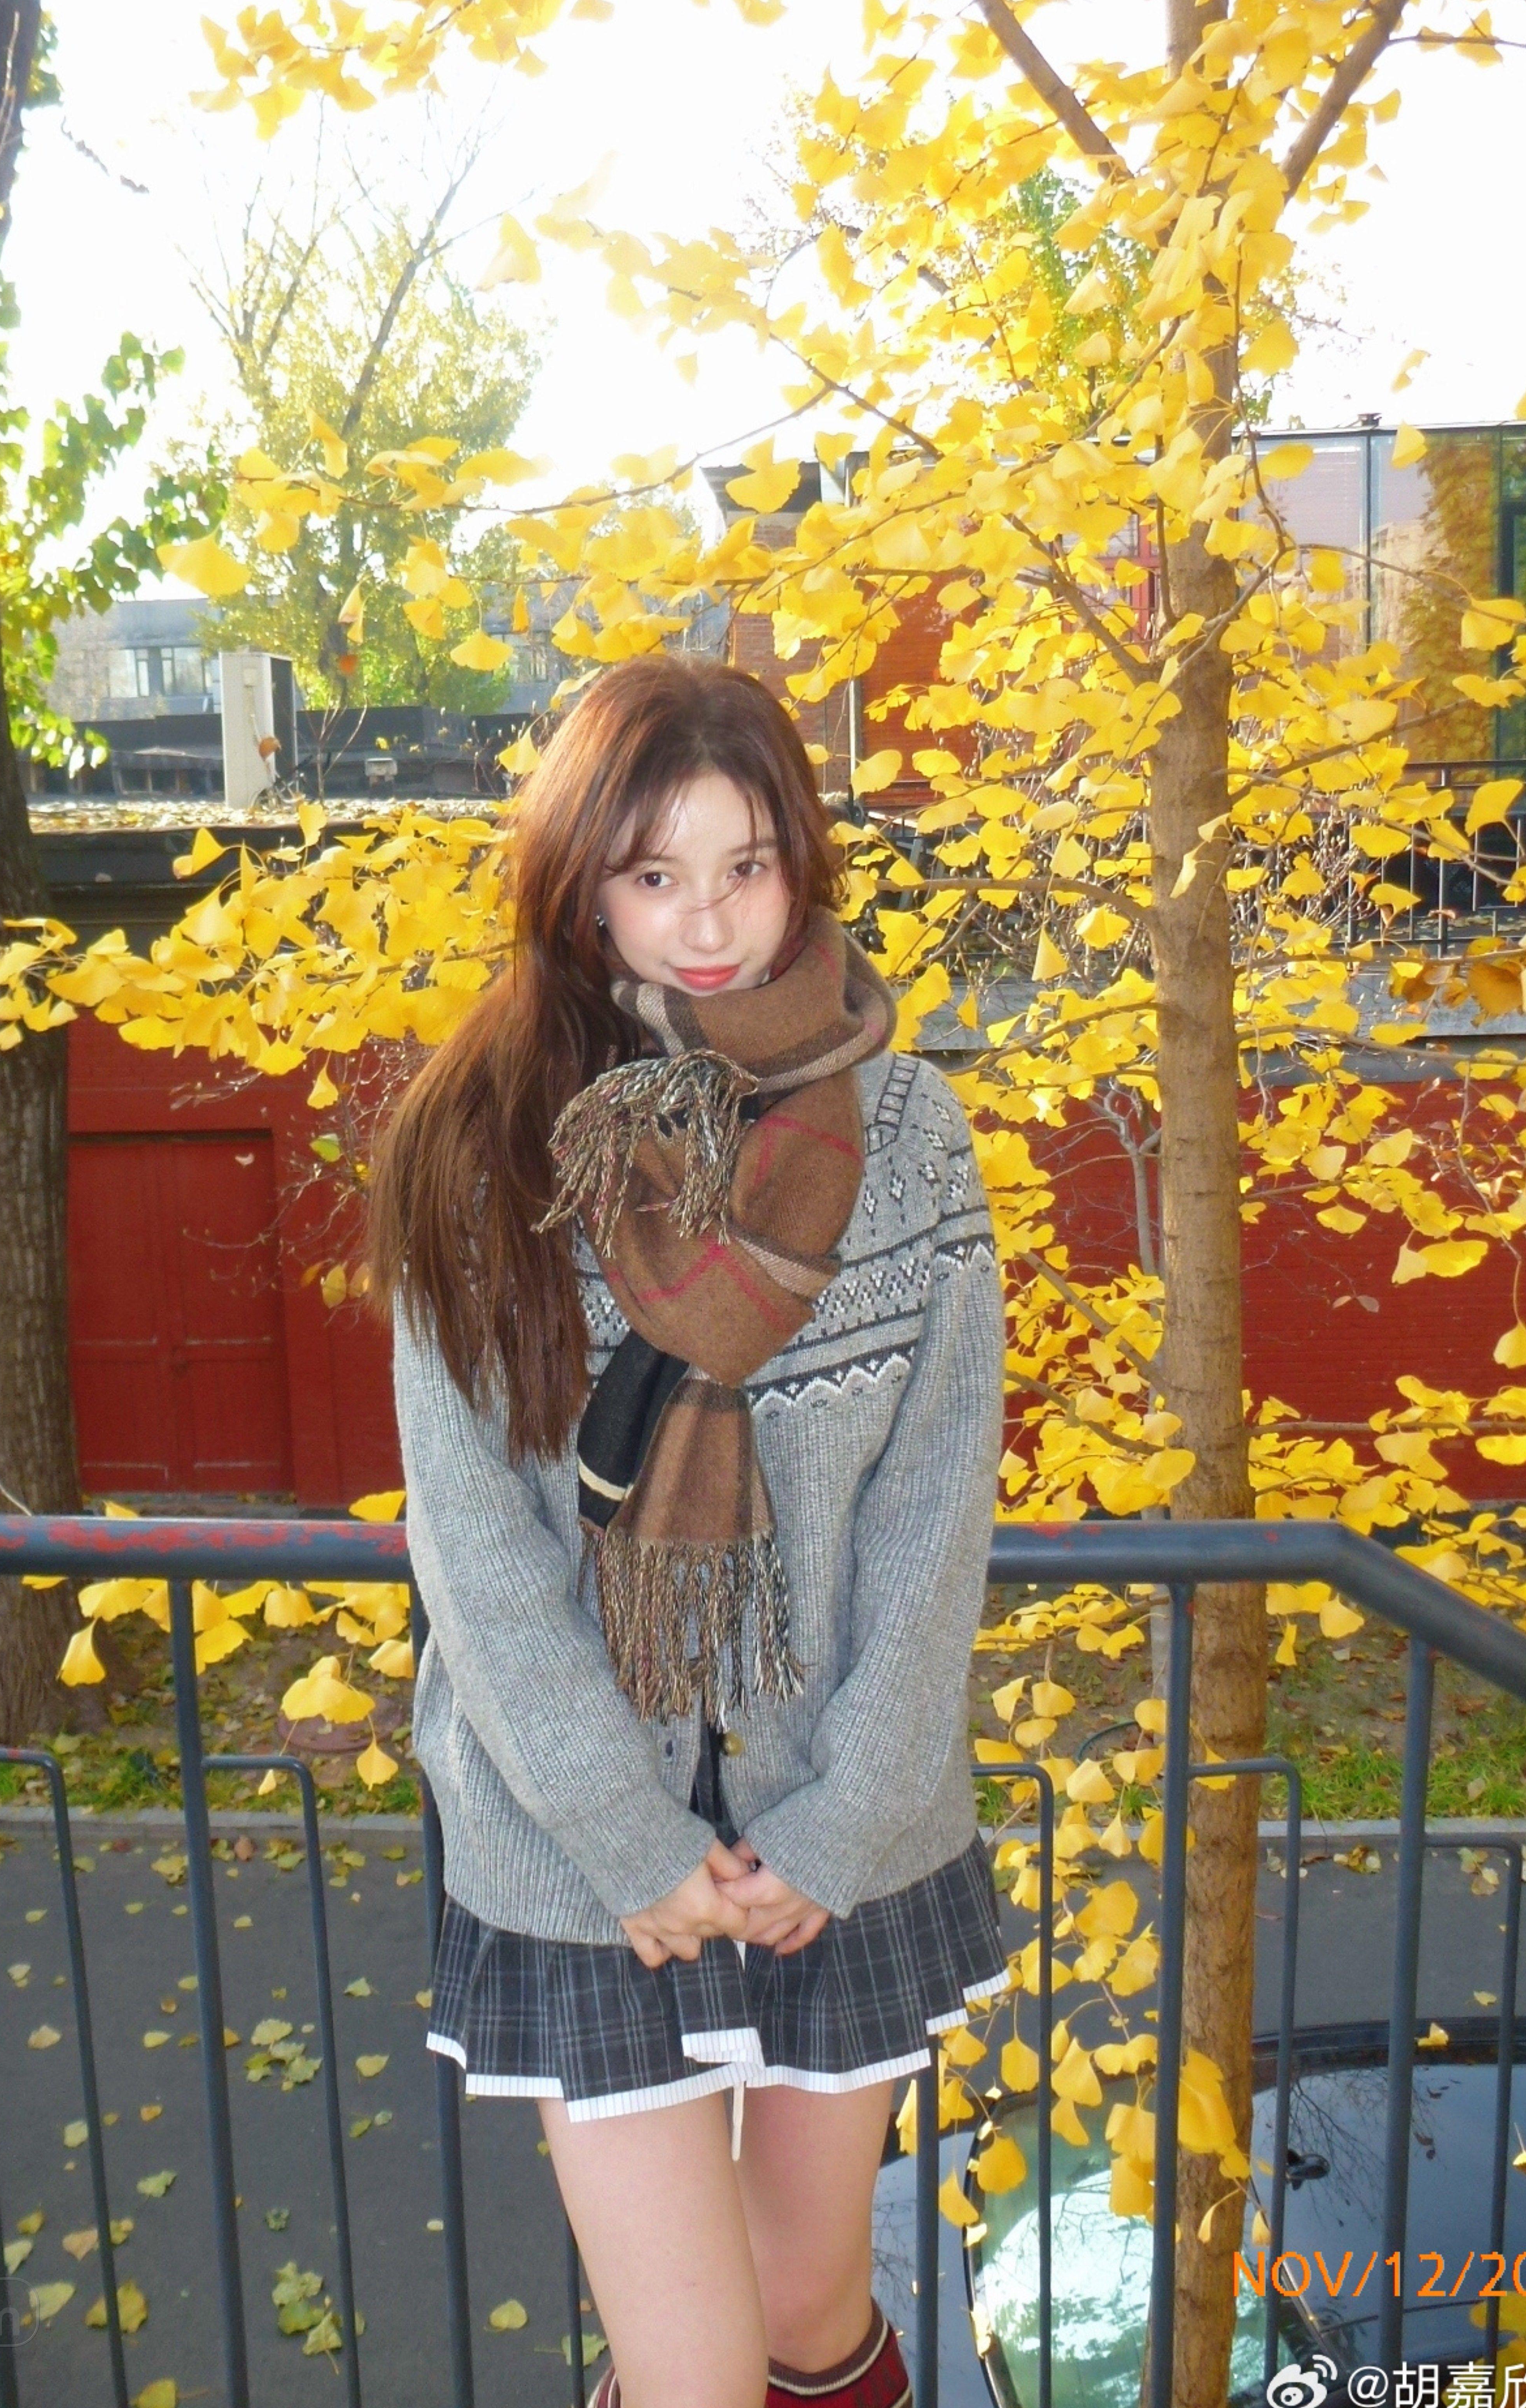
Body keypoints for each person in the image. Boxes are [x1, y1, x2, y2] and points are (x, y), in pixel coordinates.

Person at [368, 655, 1008, 2408]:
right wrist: (631, 1840)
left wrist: (846, 1817)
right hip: (587, 1860)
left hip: (840, 1825)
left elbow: (937, 1504)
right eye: (655, 873)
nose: (708, 921)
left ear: (803, 864)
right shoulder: (478, 1151)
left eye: (746, 865)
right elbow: (476, 1552)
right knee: (699, 2371)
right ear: (582, 884)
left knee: (808, 2314)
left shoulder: (912, 1139)